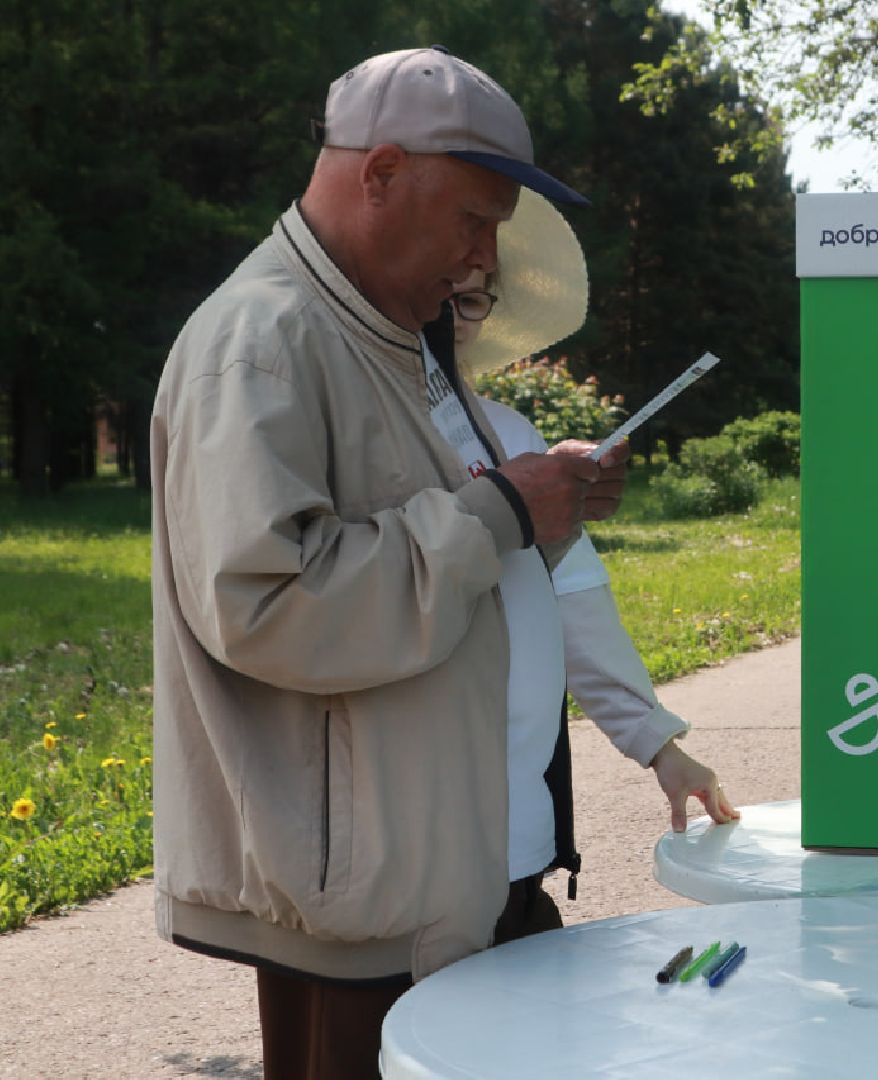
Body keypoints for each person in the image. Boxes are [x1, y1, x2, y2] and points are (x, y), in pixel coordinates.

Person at [149, 47, 732, 1079]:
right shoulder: (264, 340)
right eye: (474, 221)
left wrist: (543, 517)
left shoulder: (367, 332)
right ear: (378, 174)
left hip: (432, 876)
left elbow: (463, 565)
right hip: (358, 914)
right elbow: (270, 606)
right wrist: (503, 507)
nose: (478, 263)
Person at [443, 193, 737, 936]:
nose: (450, 319)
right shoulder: (359, 429)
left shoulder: (510, 431)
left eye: (471, 300)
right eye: (437, 295)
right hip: (414, 845)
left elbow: (572, 605)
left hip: (519, 835)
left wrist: (661, 748)